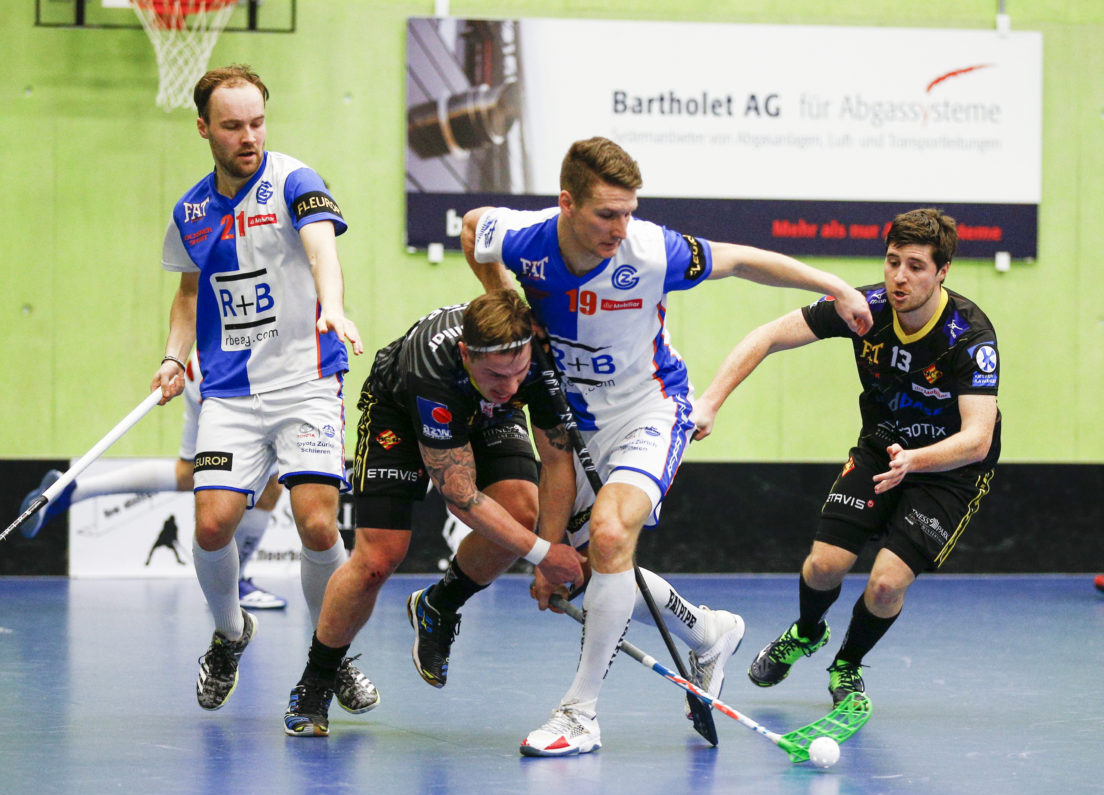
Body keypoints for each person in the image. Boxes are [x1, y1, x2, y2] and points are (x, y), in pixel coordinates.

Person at [461, 136, 874, 757]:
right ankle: (710, 633)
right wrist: (506, 301)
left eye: (628, 212)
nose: (620, 228)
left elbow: (741, 260)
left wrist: (834, 285)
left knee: (609, 535)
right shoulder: (527, 239)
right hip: (576, 421)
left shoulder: (650, 250)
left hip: (650, 411)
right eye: (607, 214)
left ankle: (579, 713)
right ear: (567, 204)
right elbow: (473, 228)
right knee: (591, 564)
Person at [692, 208, 999, 707]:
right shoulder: (864, 309)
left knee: (885, 584)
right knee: (823, 566)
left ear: (942, 271)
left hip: (949, 469)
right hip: (882, 448)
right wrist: (710, 401)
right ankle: (807, 631)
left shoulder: (968, 336)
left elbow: (978, 438)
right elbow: (767, 336)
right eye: (893, 261)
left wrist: (916, 460)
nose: (899, 277)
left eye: (916, 266)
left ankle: (848, 665)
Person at [150, 64, 374, 713]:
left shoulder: (296, 181)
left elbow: (322, 249)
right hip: (230, 391)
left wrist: (334, 305)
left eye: (257, 122)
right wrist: (173, 358)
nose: (249, 136)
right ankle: (229, 633)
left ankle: (333, 655)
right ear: (203, 129)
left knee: (317, 524)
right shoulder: (190, 212)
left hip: (306, 380)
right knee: (212, 525)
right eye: (232, 126)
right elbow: (188, 294)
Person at [282, 290, 586, 737]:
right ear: (466, 353)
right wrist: (543, 554)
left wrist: (550, 550)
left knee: (522, 513)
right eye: (497, 374)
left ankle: (438, 605)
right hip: (400, 412)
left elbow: (557, 462)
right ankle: (317, 678)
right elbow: (460, 497)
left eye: (518, 373)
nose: (510, 386)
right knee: (377, 560)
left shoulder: (535, 358)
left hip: (488, 414)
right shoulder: (433, 364)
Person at [17, 351, 288, 609]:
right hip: (242, 373)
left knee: (189, 471)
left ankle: (75, 491)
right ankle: (233, 585)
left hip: (204, 364)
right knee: (268, 482)